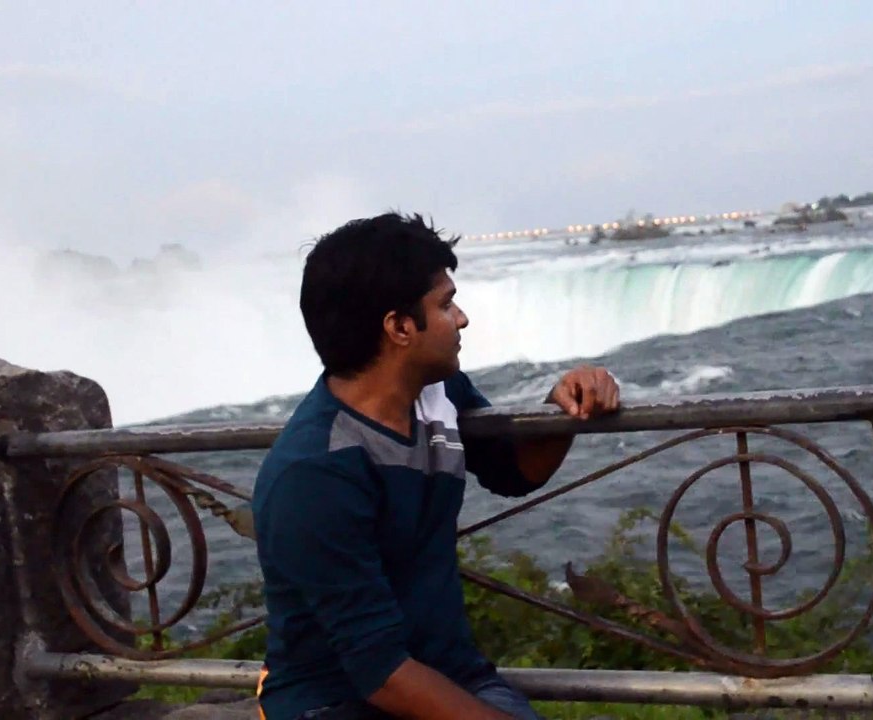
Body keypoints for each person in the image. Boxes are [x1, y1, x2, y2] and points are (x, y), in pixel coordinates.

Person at [252, 213, 621, 719]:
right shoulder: (316, 471)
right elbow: (378, 669)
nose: (462, 318)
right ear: (399, 327)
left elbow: (515, 473)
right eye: (446, 304)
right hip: (335, 700)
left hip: (449, 672)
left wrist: (564, 406)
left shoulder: (438, 394)